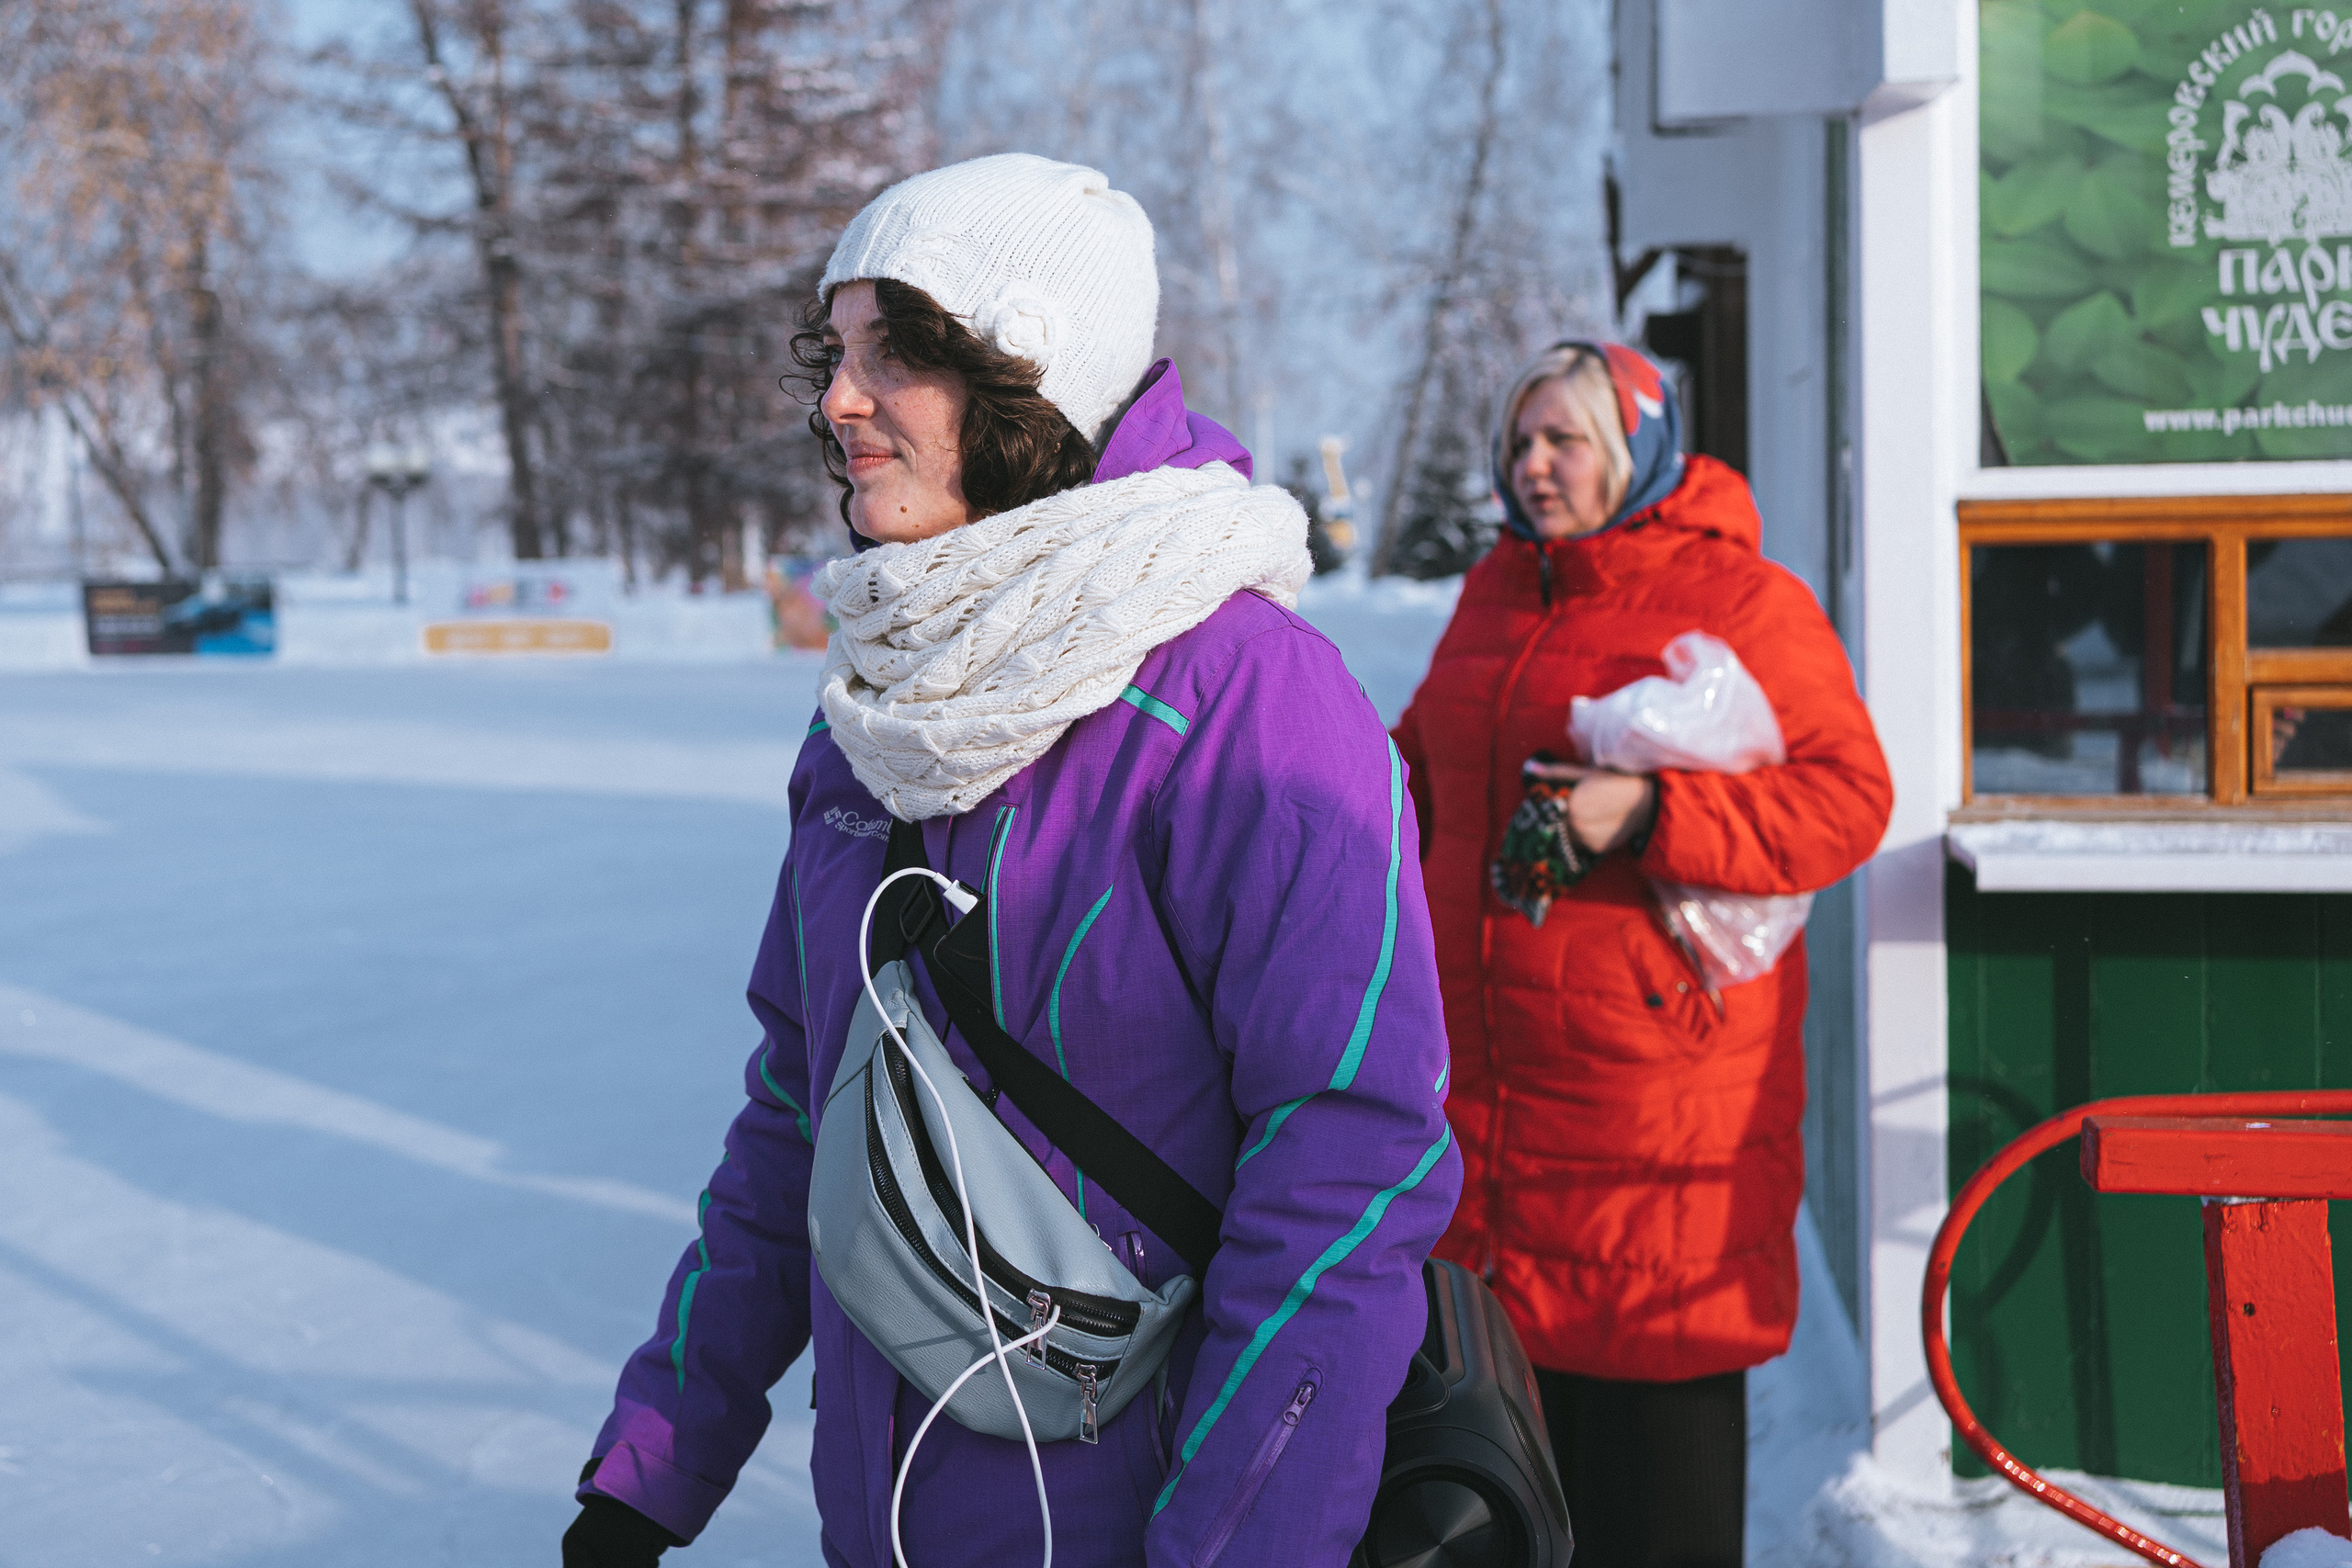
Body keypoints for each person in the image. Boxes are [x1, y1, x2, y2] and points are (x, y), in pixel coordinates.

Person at [562, 153, 1461, 1568]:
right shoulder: (878, 702)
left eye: (897, 353)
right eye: (836, 351)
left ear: (1030, 377)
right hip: (888, 1520)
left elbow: (1349, 1171)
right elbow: (805, 1106)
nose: (839, 400)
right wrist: (653, 1464)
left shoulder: (1247, 702)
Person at [1393, 342, 1892, 1568]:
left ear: (1639, 446)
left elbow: (1848, 801)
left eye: (1563, 439)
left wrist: (1649, 812)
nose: (1534, 464)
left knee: (1652, 1513)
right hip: (1490, 1120)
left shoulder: (1744, 601)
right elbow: (1424, 774)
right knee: (1500, 1501)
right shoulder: (1498, 590)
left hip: (1652, 1123)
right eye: (1520, 443)